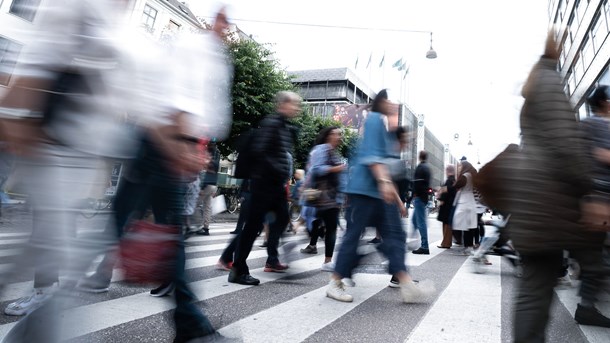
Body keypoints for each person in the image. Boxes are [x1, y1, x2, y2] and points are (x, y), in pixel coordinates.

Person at [508, 30, 610, 342]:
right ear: (559, 48)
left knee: (535, 285)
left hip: (535, 204)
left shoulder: (538, 85)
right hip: (551, 204)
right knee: (553, 279)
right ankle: (587, 304)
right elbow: (566, 144)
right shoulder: (550, 83)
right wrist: (589, 192)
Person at [325, 89, 434, 303]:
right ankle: (334, 282)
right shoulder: (374, 119)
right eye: (389, 100)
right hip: (364, 191)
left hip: (379, 193)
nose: (393, 103)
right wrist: (386, 186)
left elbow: (385, 165)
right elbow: (373, 157)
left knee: (394, 237)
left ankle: (406, 283)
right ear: (381, 102)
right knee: (354, 236)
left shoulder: (382, 125)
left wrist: (397, 198)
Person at [228, 91, 301, 286]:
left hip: (274, 186)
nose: (297, 108)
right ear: (283, 104)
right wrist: (278, 170)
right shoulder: (272, 124)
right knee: (252, 227)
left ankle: (276, 259)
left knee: (282, 220)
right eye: (294, 104)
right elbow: (260, 151)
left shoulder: (284, 126)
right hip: (264, 185)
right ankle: (238, 269)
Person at [299, 127, 346, 272]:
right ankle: (324, 258)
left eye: (340, 134)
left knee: (329, 227)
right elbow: (316, 169)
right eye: (336, 134)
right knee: (319, 225)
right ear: (328, 135)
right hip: (321, 196)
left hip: (332, 197)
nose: (339, 137)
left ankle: (326, 259)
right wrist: (336, 169)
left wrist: (345, 194)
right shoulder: (321, 150)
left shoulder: (334, 153)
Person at [191, 141, 221, 236]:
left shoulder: (208, 158)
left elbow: (205, 174)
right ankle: (205, 228)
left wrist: (202, 188)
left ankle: (195, 225)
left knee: (194, 205)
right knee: (207, 208)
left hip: (207, 185)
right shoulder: (217, 156)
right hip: (213, 185)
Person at [451, 160, 478, 255]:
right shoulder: (471, 175)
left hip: (464, 202)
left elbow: (455, 186)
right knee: (469, 227)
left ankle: (467, 246)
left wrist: (456, 175)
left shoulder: (464, 176)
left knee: (458, 223)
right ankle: (468, 247)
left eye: (460, 166)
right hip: (470, 201)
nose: (459, 168)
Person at [412, 150, 431, 254]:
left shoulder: (421, 167)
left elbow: (417, 183)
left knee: (421, 222)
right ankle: (414, 239)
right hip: (423, 197)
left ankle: (424, 246)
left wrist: (414, 194)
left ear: (420, 156)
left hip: (419, 197)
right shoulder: (427, 167)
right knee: (415, 220)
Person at [436, 164, 457, 249]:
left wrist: (441, 200)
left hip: (446, 206)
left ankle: (446, 243)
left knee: (446, 225)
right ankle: (446, 242)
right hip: (451, 205)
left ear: (448, 171)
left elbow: (445, 192)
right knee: (448, 224)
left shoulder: (449, 180)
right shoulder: (454, 180)